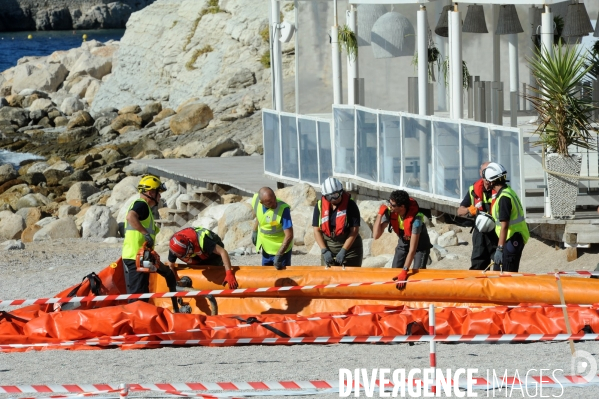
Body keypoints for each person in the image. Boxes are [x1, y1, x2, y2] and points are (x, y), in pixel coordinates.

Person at [121, 175, 181, 311]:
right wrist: (145, 233)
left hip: (139, 256)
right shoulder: (141, 205)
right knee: (138, 295)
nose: (160, 197)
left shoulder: (143, 207)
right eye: (158, 193)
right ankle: (136, 323)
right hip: (136, 257)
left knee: (140, 292)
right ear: (150, 193)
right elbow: (131, 217)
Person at [373, 190, 432, 290]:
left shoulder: (416, 221)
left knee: (417, 274)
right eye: (389, 202)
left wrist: (405, 271)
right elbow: (375, 235)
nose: (390, 206)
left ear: (402, 207)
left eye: (393, 205)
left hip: (420, 247)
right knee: (394, 271)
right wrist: (379, 215)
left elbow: (413, 250)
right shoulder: (391, 212)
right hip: (403, 243)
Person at [483, 162, 530, 272]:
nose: (484, 182)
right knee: (501, 273)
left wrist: (499, 249)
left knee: (508, 276)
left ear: (492, 181)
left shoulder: (504, 198)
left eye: (486, 180)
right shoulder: (508, 191)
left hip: (511, 239)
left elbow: (504, 225)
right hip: (511, 239)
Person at [457, 162, 499, 270]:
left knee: (499, 263)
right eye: (484, 172)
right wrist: (468, 209)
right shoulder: (473, 189)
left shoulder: (500, 190)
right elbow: (459, 211)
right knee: (478, 263)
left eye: (489, 172)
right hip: (479, 232)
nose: (486, 176)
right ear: (480, 173)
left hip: (496, 232)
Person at [313, 177, 363, 267]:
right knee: (328, 278)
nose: (333, 199)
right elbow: (316, 230)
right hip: (328, 248)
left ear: (341, 192)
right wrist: (324, 250)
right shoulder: (319, 206)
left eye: (336, 195)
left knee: (349, 278)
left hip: (350, 250)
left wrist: (344, 250)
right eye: (329, 196)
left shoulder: (351, 205)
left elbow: (354, 231)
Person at [168, 227, 238, 289]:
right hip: (198, 253)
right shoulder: (175, 249)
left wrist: (229, 273)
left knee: (214, 271)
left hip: (211, 250)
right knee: (195, 269)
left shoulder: (203, 242)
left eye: (190, 251)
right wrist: (175, 281)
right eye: (188, 254)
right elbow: (171, 266)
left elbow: (223, 252)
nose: (190, 253)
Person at [251, 187, 293, 270]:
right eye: (269, 202)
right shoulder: (256, 201)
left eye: (274, 198)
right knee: (266, 277)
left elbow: (289, 235)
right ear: (262, 202)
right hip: (266, 249)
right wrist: (254, 230)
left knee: (282, 279)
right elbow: (259, 215)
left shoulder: (283, 210)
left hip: (281, 251)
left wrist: (279, 254)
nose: (274, 203)